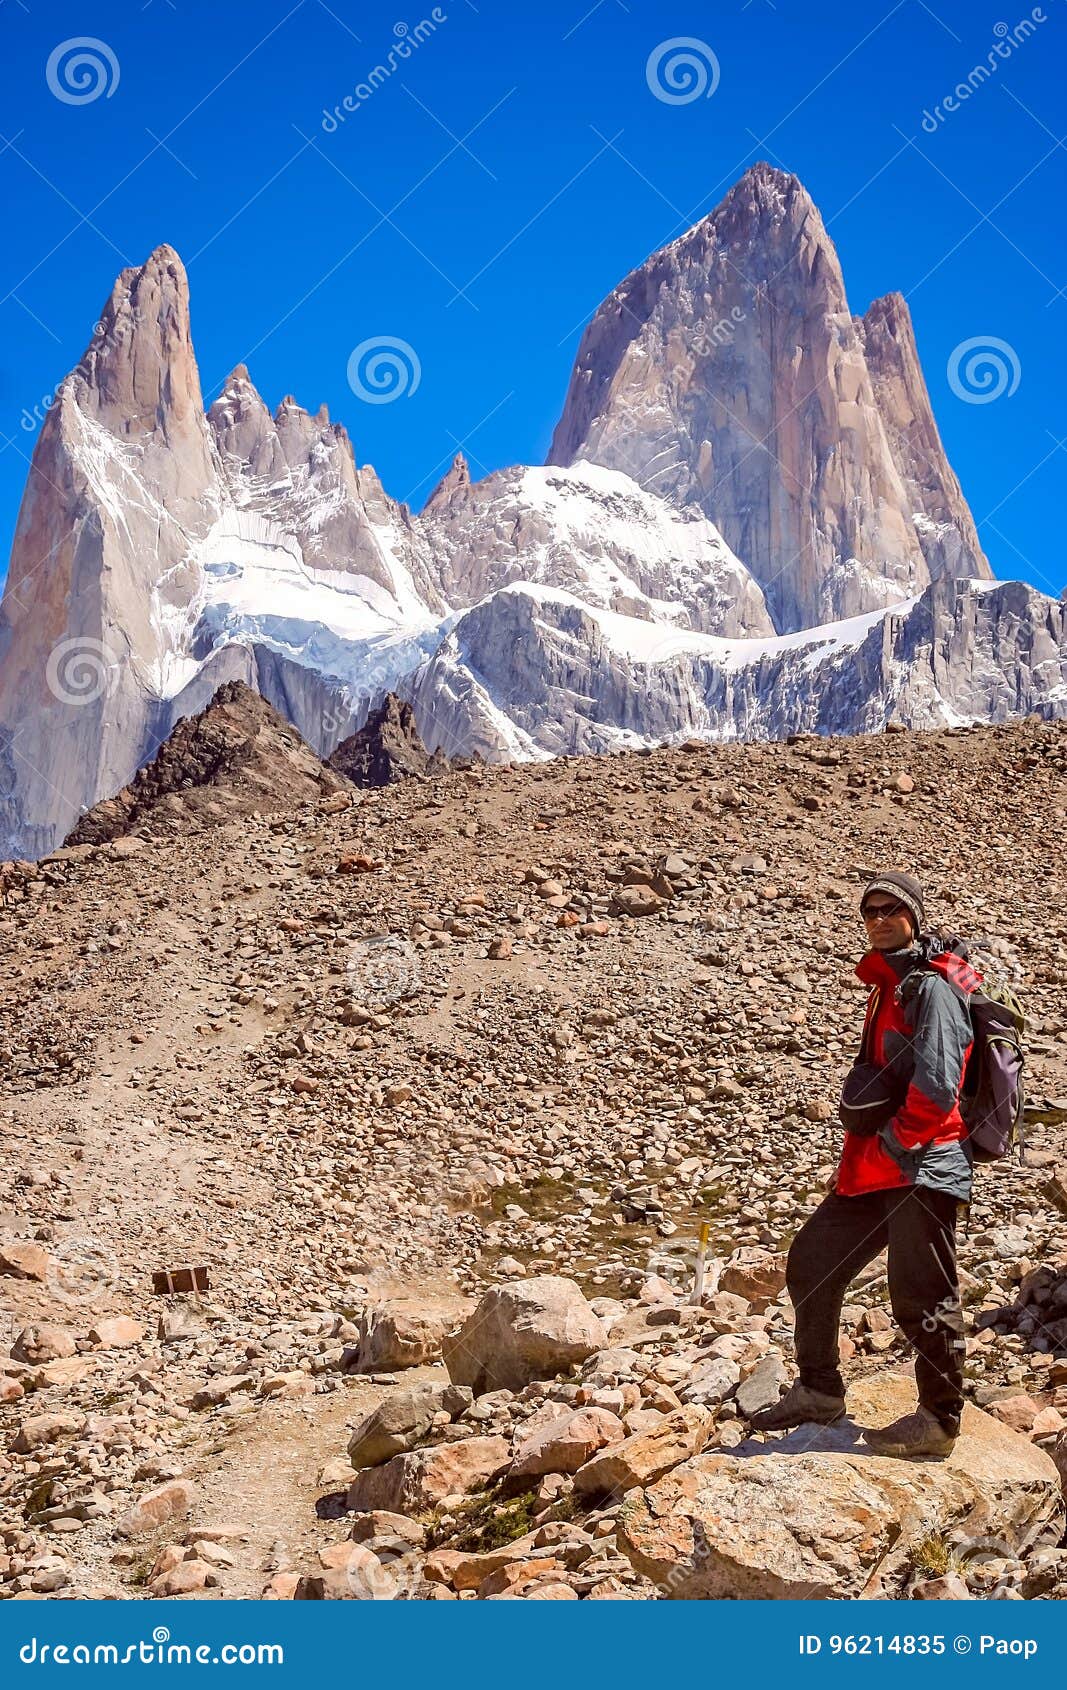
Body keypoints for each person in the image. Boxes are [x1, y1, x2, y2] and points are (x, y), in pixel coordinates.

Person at [748, 871, 979, 1458]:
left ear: (915, 916)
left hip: (923, 1166)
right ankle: (820, 1390)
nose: (879, 918)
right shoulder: (889, 985)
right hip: (877, 1167)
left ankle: (939, 1420)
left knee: (922, 1294)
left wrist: (899, 1143)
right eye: (870, 910)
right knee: (812, 1261)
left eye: (891, 909)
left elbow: (936, 1084)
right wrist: (858, 1159)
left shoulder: (931, 988)